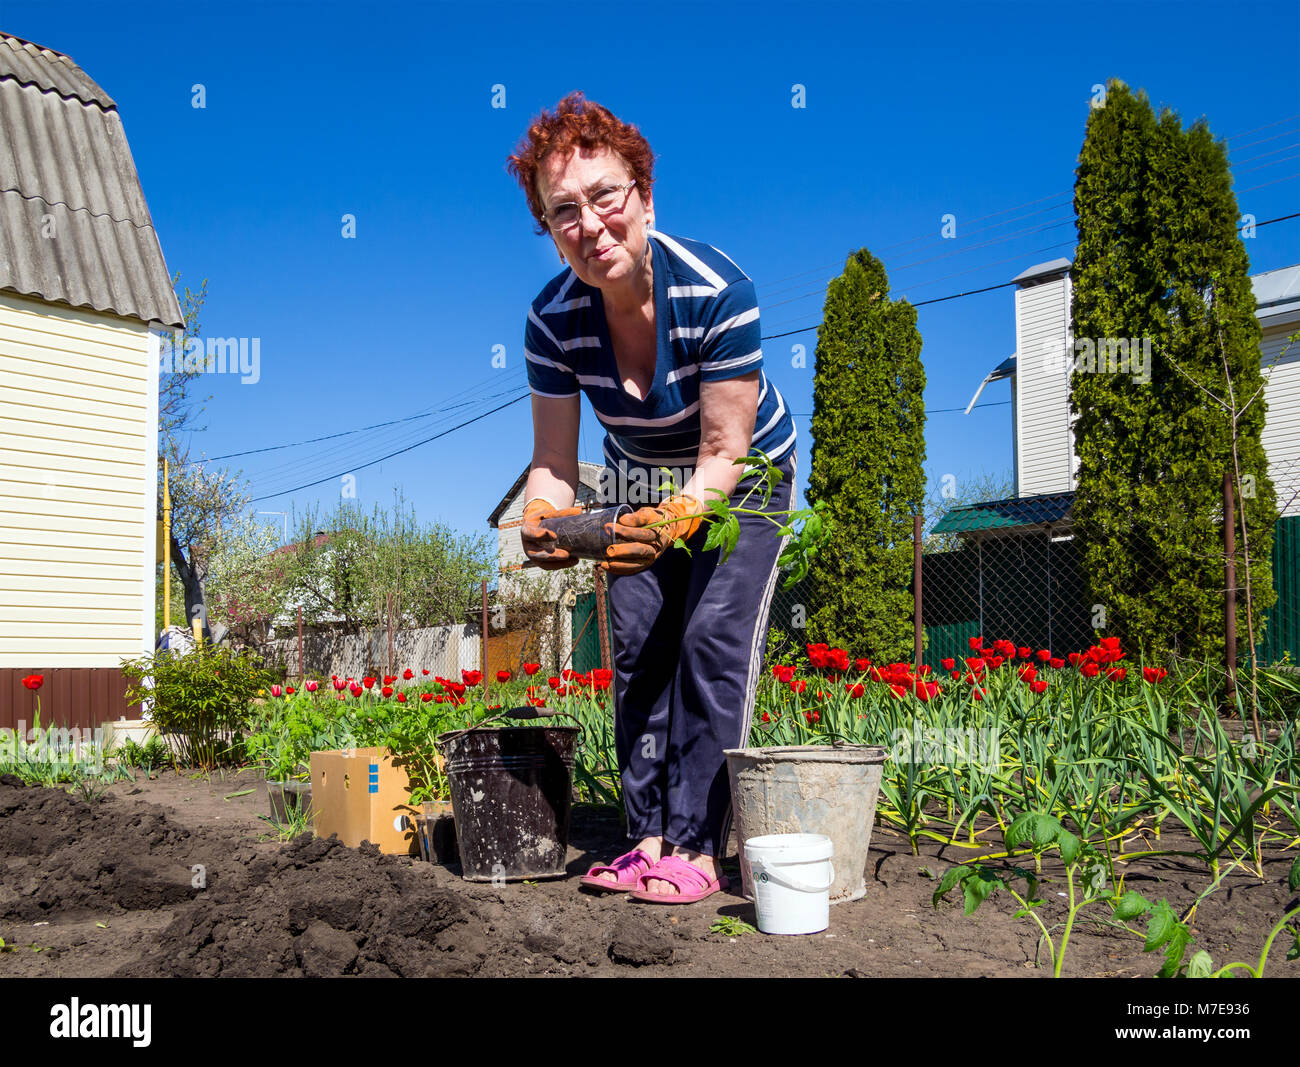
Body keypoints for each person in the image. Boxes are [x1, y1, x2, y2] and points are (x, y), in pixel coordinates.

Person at [508, 92, 796, 903]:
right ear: (549, 228)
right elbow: (555, 462)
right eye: (563, 210)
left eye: (605, 197)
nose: (590, 224)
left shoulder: (717, 291)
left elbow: (723, 451)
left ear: (644, 195)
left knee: (708, 638)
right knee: (636, 649)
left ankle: (700, 847)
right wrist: (544, 518)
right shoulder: (551, 323)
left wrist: (673, 526)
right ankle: (646, 837)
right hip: (638, 477)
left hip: (741, 478)